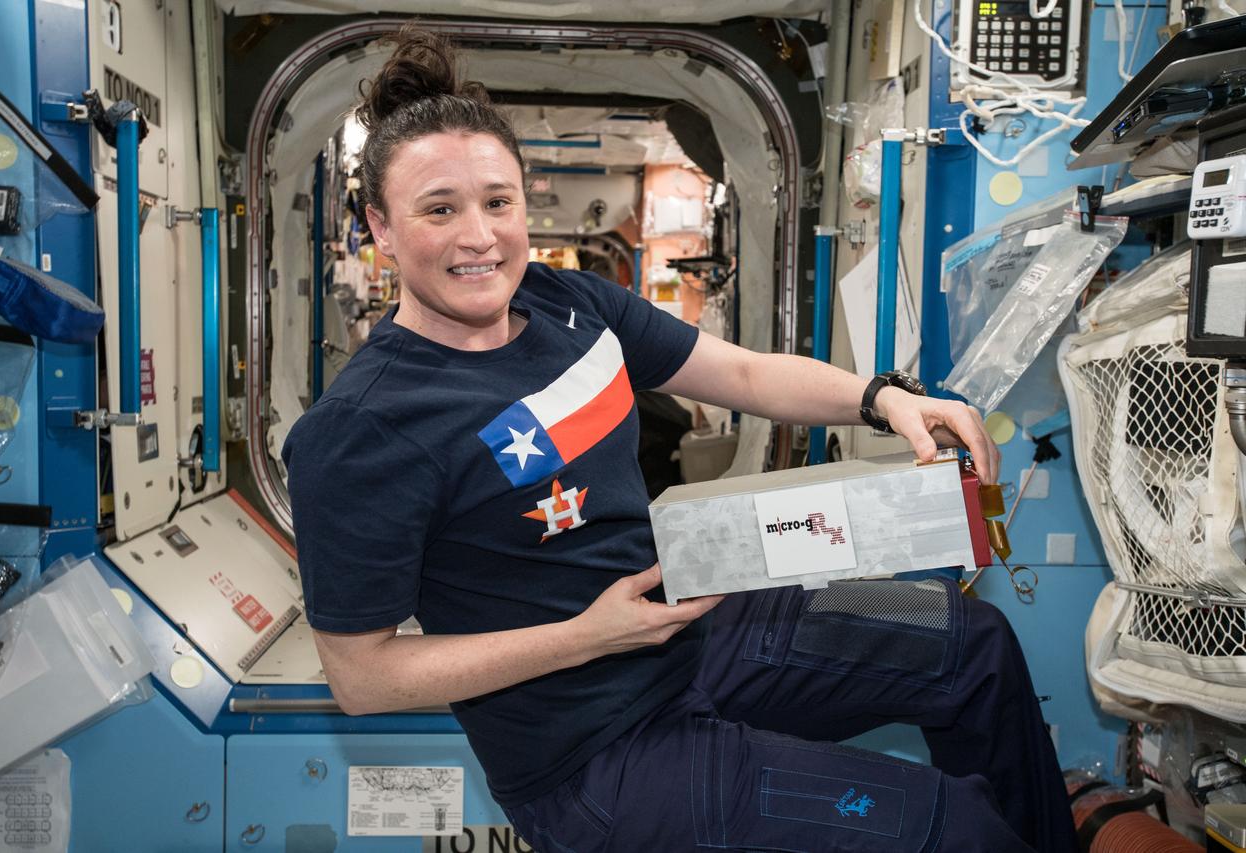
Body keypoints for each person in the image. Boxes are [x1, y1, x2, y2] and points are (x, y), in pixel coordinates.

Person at [283, 28, 1074, 853]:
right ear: (380, 225)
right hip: (594, 754)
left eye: (498, 201)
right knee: (957, 831)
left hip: (690, 636)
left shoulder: (569, 304)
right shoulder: (363, 428)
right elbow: (362, 675)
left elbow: (739, 375)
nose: (479, 236)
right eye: (439, 209)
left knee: (972, 647)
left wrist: (885, 399)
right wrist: (587, 636)